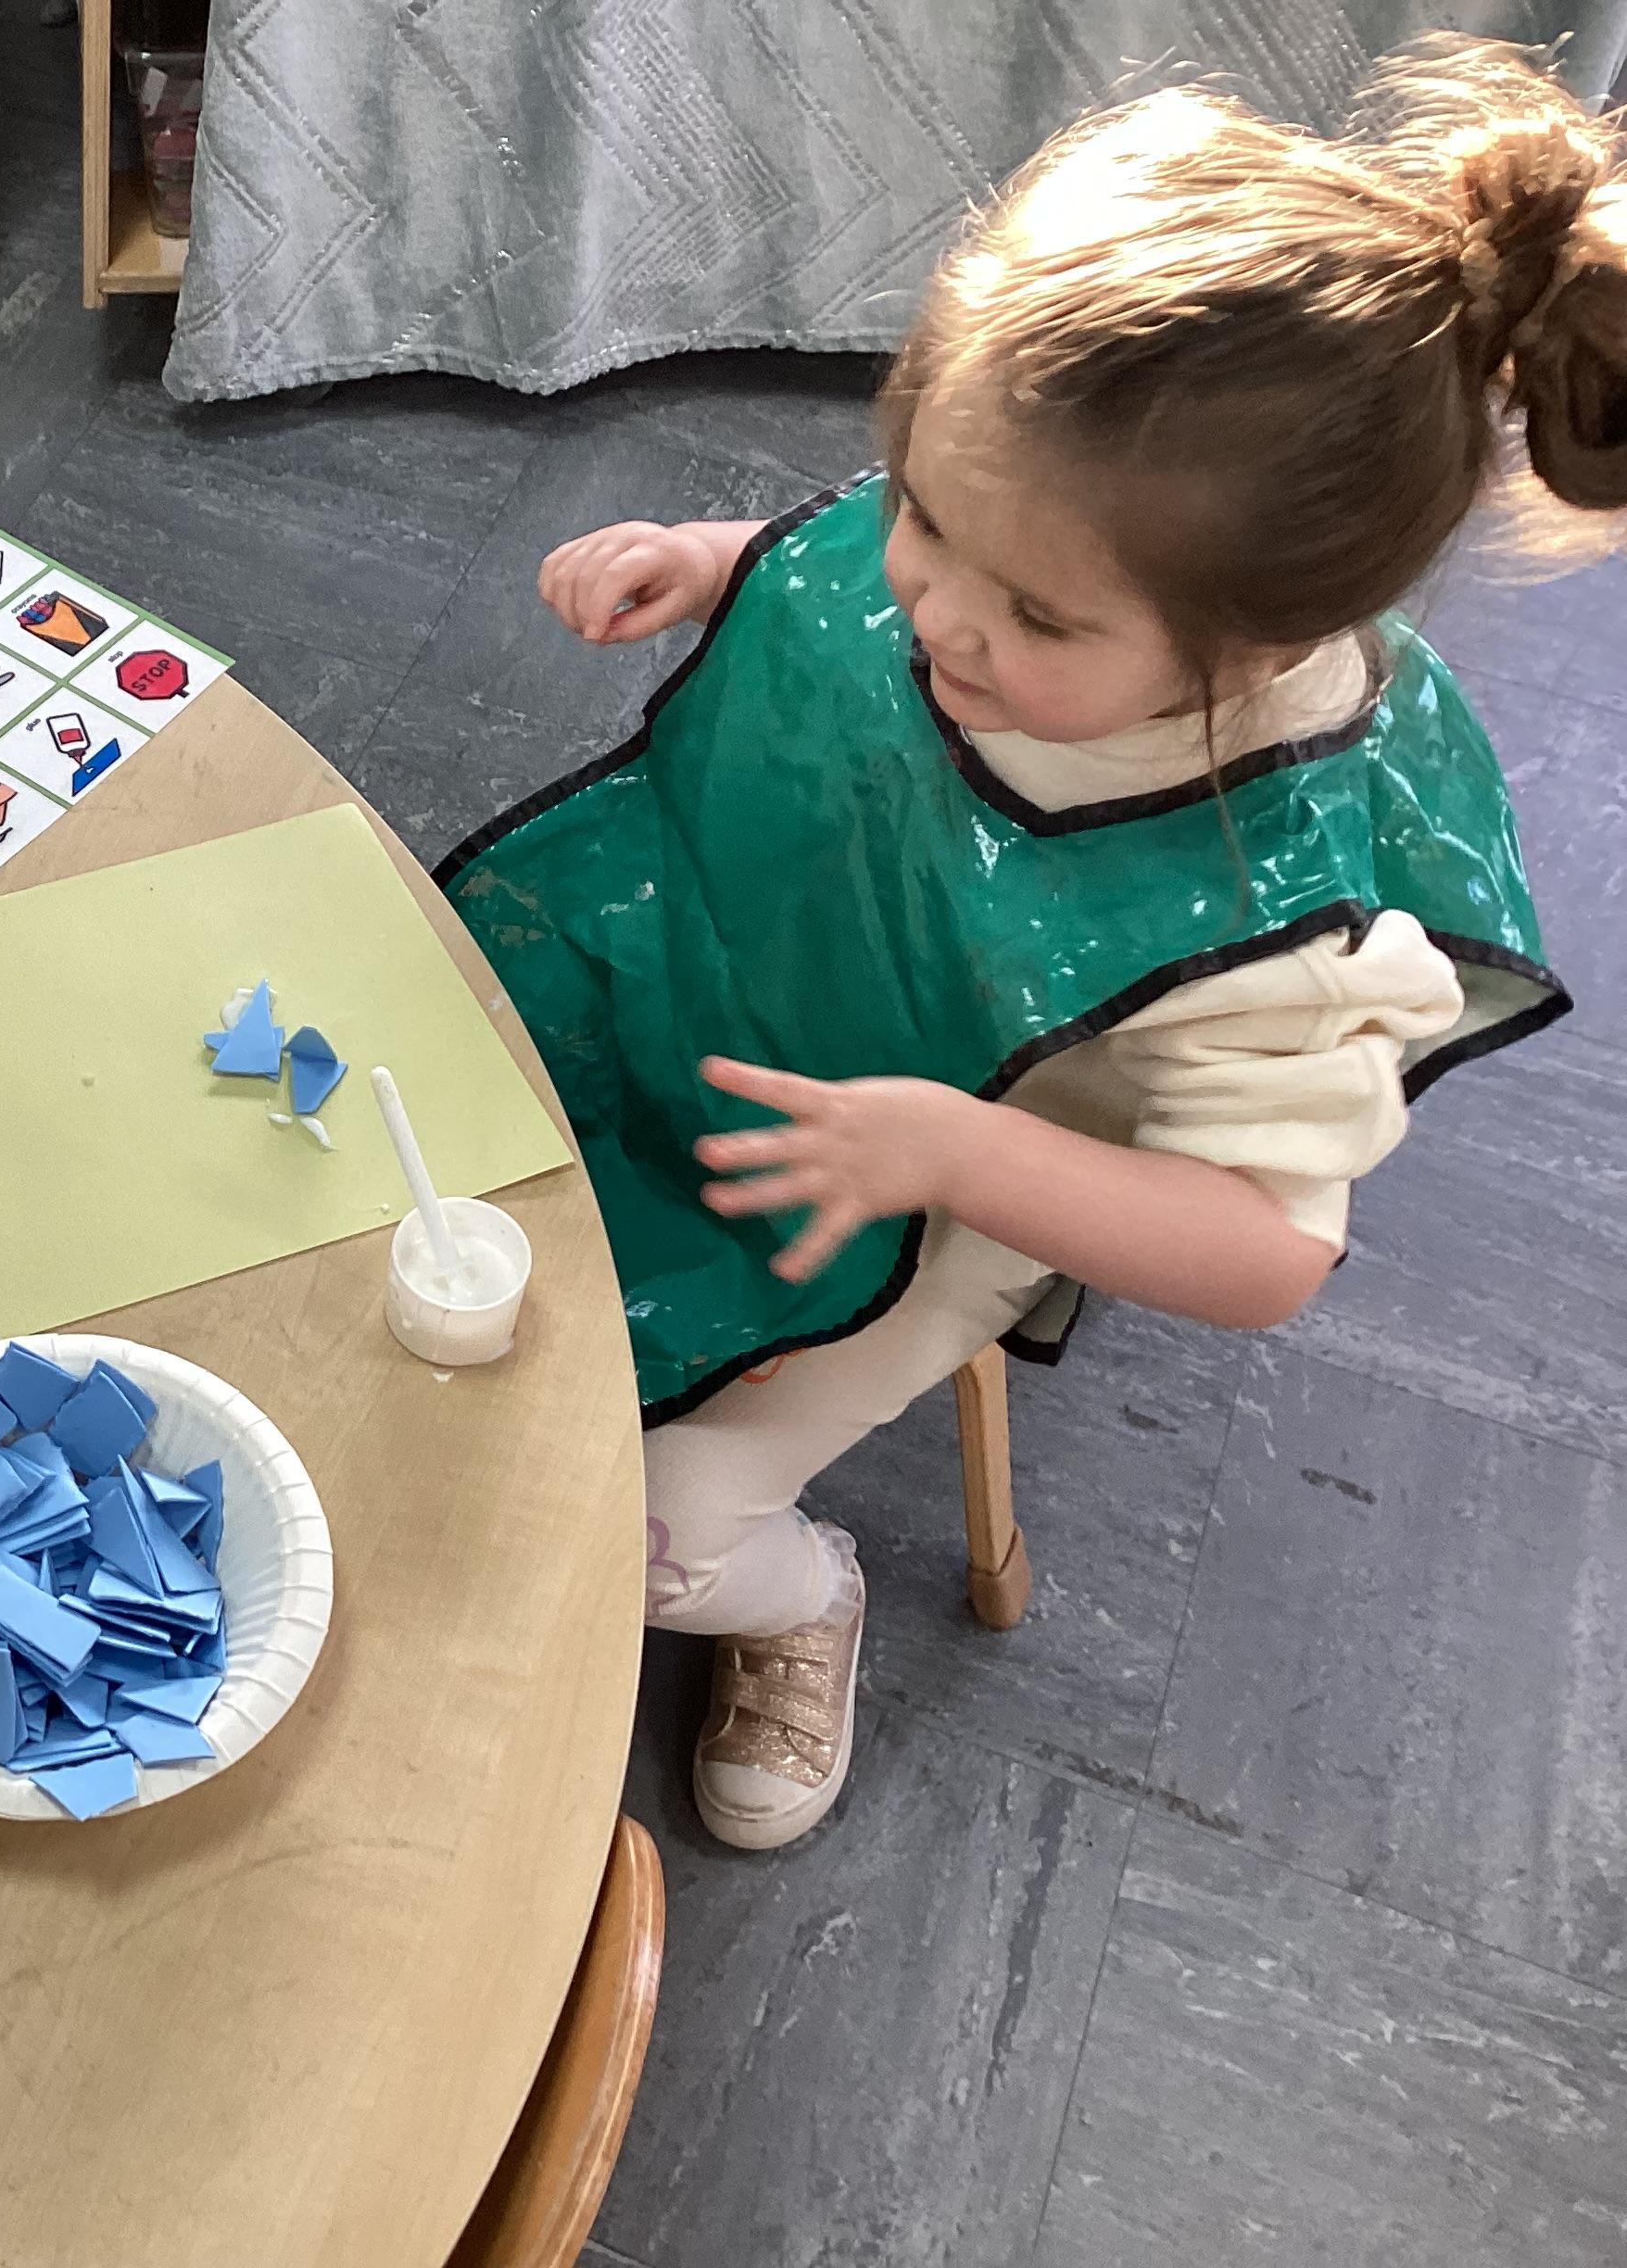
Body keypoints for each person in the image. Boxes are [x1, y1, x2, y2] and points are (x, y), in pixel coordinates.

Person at [443, 37, 1613, 1850]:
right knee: (418, 1120)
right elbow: (875, 563)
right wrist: (721, 557)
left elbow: (1266, 1254)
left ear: (1255, 652)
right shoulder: (1011, 533)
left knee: (641, 1519)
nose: (929, 608)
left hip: (956, 1178)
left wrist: (952, 1151)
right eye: (921, 506)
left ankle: (796, 1593)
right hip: (728, 953)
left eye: (1036, 618)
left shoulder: (1273, 923)